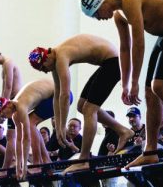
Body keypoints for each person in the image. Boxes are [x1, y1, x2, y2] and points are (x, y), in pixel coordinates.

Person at [80, 0, 163, 168]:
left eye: (96, 14)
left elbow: (138, 44)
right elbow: (125, 49)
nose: (99, 19)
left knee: (160, 86)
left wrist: (135, 82)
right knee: (150, 92)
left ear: (102, 1)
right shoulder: (119, 15)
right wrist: (125, 85)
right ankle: (150, 151)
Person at [28, 35, 134, 172]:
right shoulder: (56, 59)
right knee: (81, 106)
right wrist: (59, 129)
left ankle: (84, 159)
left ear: (47, 57)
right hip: (108, 62)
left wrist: (62, 126)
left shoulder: (61, 56)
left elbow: (65, 96)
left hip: (114, 62)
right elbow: (57, 96)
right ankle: (123, 131)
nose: (45, 71)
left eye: (43, 68)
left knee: (89, 109)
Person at [0, 78, 64, 179]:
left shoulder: (21, 106)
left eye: (2, 112)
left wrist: (25, 166)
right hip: (52, 96)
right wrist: (19, 167)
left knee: (30, 123)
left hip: (62, 95)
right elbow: (19, 140)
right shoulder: (15, 114)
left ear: (8, 104)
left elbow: (27, 139)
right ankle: (46, 161)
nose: (2, 116)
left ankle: (37, 164)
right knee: (31, 123)